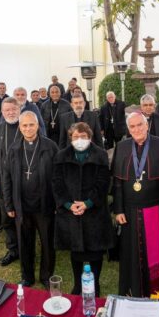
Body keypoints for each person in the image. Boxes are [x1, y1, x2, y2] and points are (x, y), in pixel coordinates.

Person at [112, 111, 159, 297]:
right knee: (131, 253)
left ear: (147, 124)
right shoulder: (122, 147)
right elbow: (117, 181)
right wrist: (118, 209)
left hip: (158, 209)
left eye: (140, 125)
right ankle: (133, 290)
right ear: (128, 129)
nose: (137, 129)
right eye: (132, 126)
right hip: (130, 211)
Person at [53, 122, 114, 296]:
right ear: (70, 138)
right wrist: (68, 204)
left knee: (95, 251)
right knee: (76, 250)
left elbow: (103, 183)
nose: (80, 140)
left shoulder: (101, 155)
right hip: (71, 211)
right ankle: (78, 285)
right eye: (76, 137)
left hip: (94, 211)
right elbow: (57, 183)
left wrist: (87, 203)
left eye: (83, 136)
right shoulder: (61, 156)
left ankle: (95, 285)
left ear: (90, 137)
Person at [2, 111, 58, 288]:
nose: (28, 128)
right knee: (25, 242)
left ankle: (46, 276)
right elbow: (7, 177)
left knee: (48, 243)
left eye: (31, 124)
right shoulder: (14, 148)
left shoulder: (50, 147)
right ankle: (27, 276)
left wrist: (57, 202)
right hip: (22, 205)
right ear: (19, 127)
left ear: (38, 125)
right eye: (24, 125)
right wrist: (9, 204)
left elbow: (58, 177)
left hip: (44, 205)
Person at [0, 98, 23, 266]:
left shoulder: (26, 127)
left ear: (19, 109)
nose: (10, 112)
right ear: (2, 112)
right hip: (2, 186)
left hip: (23, 185)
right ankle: (13, 249)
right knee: (7, 220)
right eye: (7, 110)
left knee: (24, 221)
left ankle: (25, 250)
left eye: (13, 109)